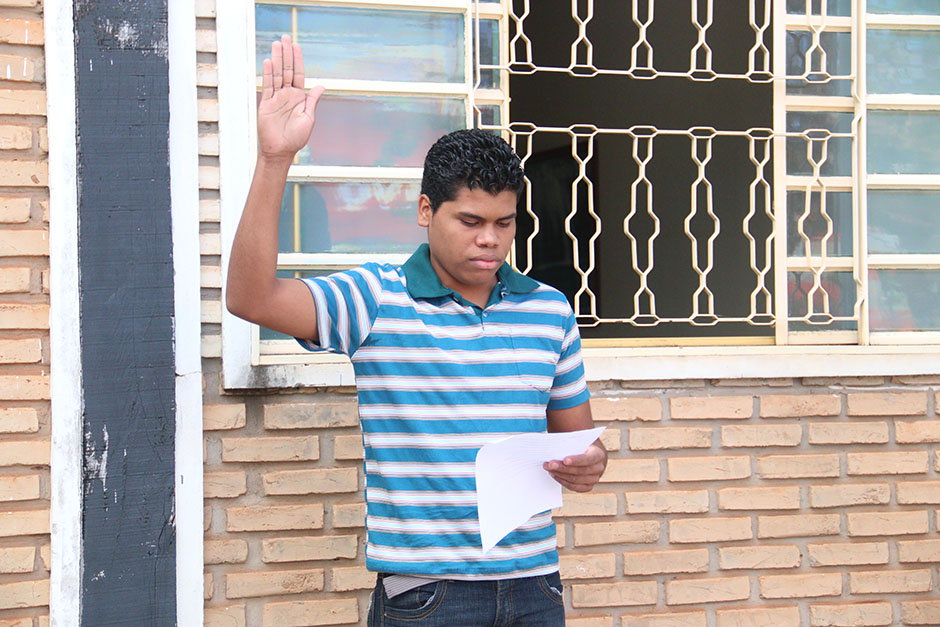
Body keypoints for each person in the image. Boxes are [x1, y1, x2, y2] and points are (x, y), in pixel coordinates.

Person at [226, 35, 608, 627]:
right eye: (471, 221)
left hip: (536, 586)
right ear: (426, 211)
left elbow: (579, 446)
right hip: (428, 596)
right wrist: (275, 160)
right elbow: (252, 298)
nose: (490, 239)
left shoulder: (549, 309)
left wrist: (590, 463)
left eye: (504, 223)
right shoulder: (375, 298)